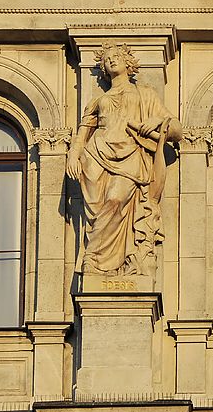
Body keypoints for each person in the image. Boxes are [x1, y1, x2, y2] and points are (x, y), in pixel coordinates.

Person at [66, 42, 183, 279]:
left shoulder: (145, 95)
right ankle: (95, 266)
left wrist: (160, 123)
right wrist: (73, 154)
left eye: (116, 56)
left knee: (116, 200)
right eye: (107, 59)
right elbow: (83, 132)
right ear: (104, 69)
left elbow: (177, 130)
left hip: (131, 156)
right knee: (101, 209)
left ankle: (100, 260)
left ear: (128, 63)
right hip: (97, 155)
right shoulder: (98, 101)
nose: (112, 60)